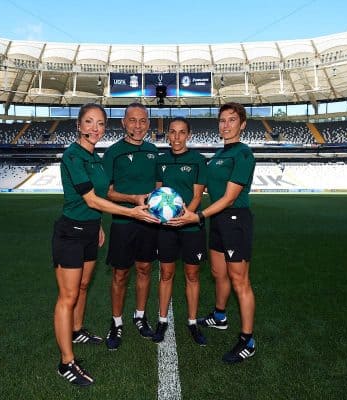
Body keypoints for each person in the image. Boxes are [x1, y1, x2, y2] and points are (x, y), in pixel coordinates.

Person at [52, 103, 159, 387]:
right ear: (79, 125)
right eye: (89, 122)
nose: (95, 129)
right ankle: (66, 362)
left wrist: (97, 224)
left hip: (88, 230)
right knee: (67, 296)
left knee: (84, 286)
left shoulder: (96, 157)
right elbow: (89, 199)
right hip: (71, 232)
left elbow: (100, 196)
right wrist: (132, 211)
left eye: (100, 124)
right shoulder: (73, 155)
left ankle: (77, 330)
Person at [167, 102, 256, 363]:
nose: (225, 125)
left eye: (231, 120)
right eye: (222, 120)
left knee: (240, 281)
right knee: (219, 273)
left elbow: (229, 197)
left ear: (242, 124)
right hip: (217, 221)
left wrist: (199, 215)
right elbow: (205, 189)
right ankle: (220, 316)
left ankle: (247, 340)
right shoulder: (218, 156)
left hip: (235, 220)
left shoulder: (243, 154)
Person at [102, 102, 159, 350]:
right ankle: (116, 322)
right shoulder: (113, 153)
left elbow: (158, 187)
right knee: (120, 274)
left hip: (148, 222)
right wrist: (132, 200)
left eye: (143, 120)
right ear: (123, 123)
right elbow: (106, 192)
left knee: (145, 269)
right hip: (123, 222)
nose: (138, 125)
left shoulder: (154, 151)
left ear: (148, 124)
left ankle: (140, 316)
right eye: (132, 120)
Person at [152, 117, 208, 346]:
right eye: (172, 132)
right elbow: (157, 194)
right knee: (165, 274)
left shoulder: (198, 161)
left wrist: (184, 218)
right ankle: (162, 320)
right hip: (166, 228)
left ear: (189, 135)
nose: (176, 137)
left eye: (181, 132)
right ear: (168, 135)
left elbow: (196, 196)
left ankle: (193, 322)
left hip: (191, 226)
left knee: (192, 275)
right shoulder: (160, 161)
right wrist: (165, 217)